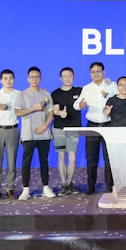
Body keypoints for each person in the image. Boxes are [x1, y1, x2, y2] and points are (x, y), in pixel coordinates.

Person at [74, 62, 119, 194]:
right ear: (90, 73)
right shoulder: (87, 88)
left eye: (98, 71)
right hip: (92, 126)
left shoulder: (111, 85)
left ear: (103, 72)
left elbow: (123, 95)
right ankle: (91, 186)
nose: (96, 74)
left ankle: (110, 186)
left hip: (108, 125)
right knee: (91, 158)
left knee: (109, 158)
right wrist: (80, 105)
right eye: (93, 72)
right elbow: (77, 105)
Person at [14, 66, 55, 200]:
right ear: (28, 79)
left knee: (44, 161)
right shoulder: (22, 94)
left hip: (43, 133)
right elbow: (17, 112)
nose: (34, 79)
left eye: (37, 77)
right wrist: (34, 108)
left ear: (41, 78)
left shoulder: (45, 94)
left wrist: (44, 126)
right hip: (28, 134)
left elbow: (51, 113)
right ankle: (25, 189)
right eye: (32, 77)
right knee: (27, 162)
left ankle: (46, 187)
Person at [0, 69, 20, 200]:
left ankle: (10, 188)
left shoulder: (19, 94)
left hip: (12, 130)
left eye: (11, 78)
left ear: (14, 79)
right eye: (5, 78)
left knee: (11, 162)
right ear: (1, 80)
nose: (8, 81)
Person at [52, 67, 83, 195]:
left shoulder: (79, 91)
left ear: (73, 77)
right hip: (59, 128)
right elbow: (55, 110)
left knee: (72, 158)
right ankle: (63, 184)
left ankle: (70, 183)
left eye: (70, 75)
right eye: (64, 76)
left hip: (73, 128)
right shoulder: (55, 93)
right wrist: (60, 113)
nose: (67, 78)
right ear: (60, 78)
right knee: (61, 156)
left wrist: (108, 81)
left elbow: (94, 91)